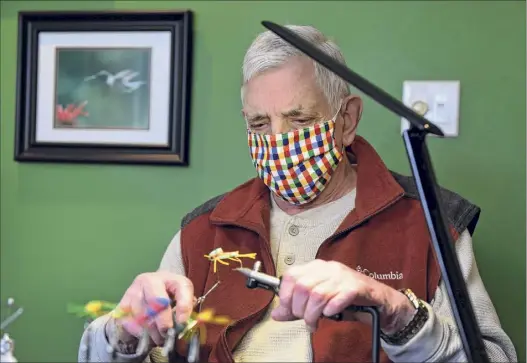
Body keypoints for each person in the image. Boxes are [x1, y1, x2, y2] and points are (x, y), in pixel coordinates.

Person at [79, 25, 517, 363]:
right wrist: (121, 332)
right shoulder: (205, 230)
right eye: (259, 125)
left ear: (346, 120)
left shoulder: (430, 225)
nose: (279, 141)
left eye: (300, 120)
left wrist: (397, 312)